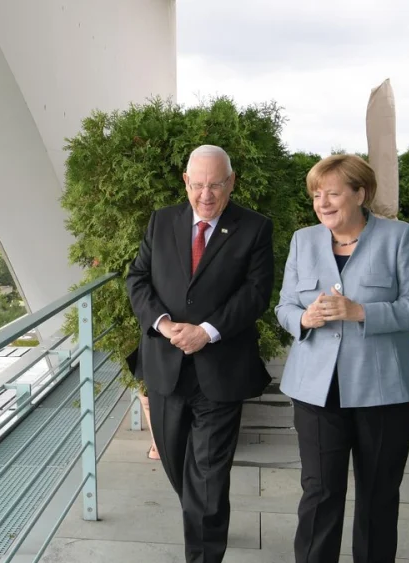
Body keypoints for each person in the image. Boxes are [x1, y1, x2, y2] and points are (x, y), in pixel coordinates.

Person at [275, 154, 409, 563]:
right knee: (319, 493)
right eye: (316, 195)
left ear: (360, 193)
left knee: (378, 497)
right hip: (315, 392)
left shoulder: (399, 237)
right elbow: (284, 307)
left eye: (333, 193)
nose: (322, 203)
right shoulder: (302, 240)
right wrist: (303, 318)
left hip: (386, 394)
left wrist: (360, 311)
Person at [126, 145, 274, 563]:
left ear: (231, 183)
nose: (206, 194)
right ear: (186, 183)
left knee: (208, 476)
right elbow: (138, 278)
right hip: (166, 366)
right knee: (177, 465)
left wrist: (207, 332)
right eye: (198, 184)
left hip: (220, 370)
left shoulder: (255, 227)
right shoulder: (162, 221)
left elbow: (256, 293)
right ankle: (206, 518)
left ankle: (204, 552)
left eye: (216, 185)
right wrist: (163, 323)